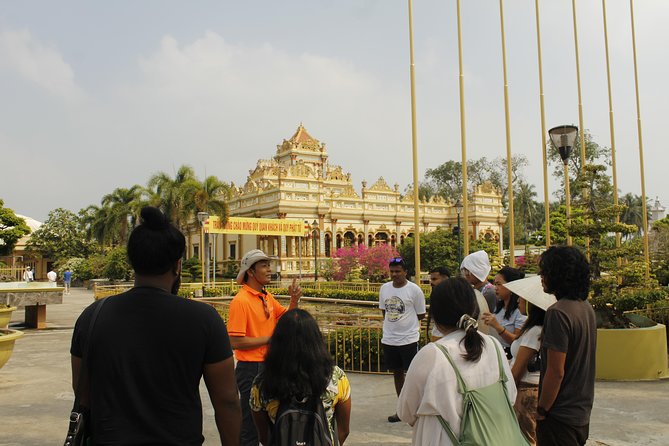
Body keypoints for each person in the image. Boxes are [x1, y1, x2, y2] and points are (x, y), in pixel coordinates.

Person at [70, 206, 241, 445]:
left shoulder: (93, 316)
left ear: (132, 261)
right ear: (178, 265)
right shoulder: (204, 319)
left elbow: (83, 393)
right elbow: (227, 400)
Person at [397, 277, 518, 445]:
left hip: (441, 439)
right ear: (475, 310)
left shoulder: (431, 354)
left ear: (436, 315)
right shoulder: (493, 345)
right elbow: (510, 396)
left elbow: (406, 411)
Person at [228, 249, 302, 446]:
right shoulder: (240, 301)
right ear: (250, 272)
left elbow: (286, 319)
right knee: (250, 425)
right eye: (264, 266)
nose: (270, 270)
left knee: (274, 419)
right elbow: (236, 342)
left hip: (270, 365)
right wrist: (270, 339)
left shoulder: (266, 297)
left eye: (269, 265)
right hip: (250, 369)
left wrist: (294, 301)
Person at [250, 309, 352, 445]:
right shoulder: (336, 377)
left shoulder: (262, 383)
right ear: (316, 339)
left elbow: (264, 436)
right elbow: (344, 431)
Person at [536, 246, 595, 446]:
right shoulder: (586, 308)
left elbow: (556, 371)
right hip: (580, 412)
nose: (541, 277)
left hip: (559, 415)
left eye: (545, 272)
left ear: (558, 275)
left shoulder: (557, 313)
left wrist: (542, 409)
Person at [379, 257, 426, 423]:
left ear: (406, 272)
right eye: (392, 271)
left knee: (414, 375)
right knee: (397, 374)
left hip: (409, 339)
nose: (394, 274)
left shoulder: (414, 290)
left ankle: (418, 408)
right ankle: (402, 409)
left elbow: (421, 314)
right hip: (390, 339)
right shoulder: (384, 288)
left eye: (398, 271)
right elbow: (384, 311)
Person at [510, 297, 546, 446]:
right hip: (528, 389)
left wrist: (508, 390)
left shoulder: (535, 331)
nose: (518, 300)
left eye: (523, 299)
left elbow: (518, 369)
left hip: (526, 389)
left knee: (526, 439)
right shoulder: (532, 328)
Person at [482, 266, 527, 358]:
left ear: (511, 286)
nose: (495, 288)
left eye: (499, 284)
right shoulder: (498, 307)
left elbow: (516, 342)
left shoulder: (520, 312)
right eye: (495, 284)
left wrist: (498, 327)